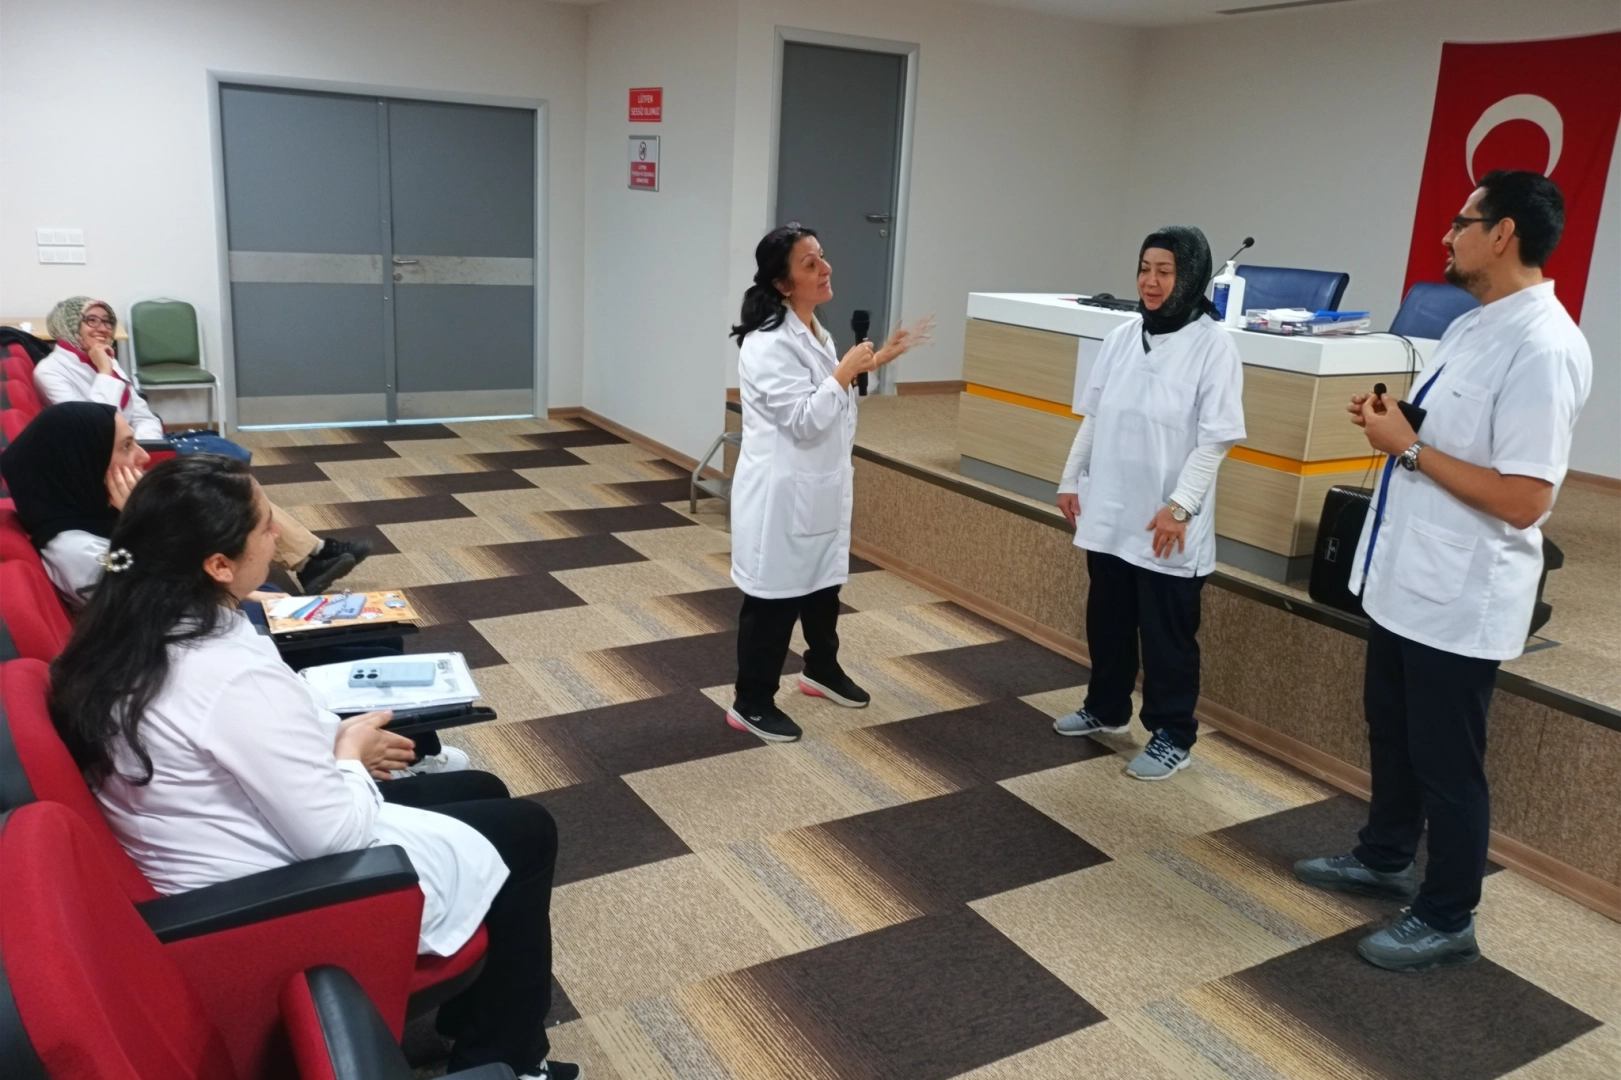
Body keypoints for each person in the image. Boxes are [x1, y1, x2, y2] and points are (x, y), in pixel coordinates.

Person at [46, 454, 577, 1079]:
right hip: (268, 898)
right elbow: (334, 836)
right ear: (217, 565)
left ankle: (479, 1020)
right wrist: (350, 754)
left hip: (225, 847)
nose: (279, 533)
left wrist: (341, 743)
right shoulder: (222, 675)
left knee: (483, 787)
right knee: (529, 831)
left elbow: (254, 734)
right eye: (265, 525)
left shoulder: (134, 622)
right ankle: (510, 1059)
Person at [1295, 170, 1591, 973]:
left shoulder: (1544, 347)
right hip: (1406, 578)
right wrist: (1393, 424)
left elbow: (1525, 498)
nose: (1446, 235)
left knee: (1447, 764)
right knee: (1391, 734)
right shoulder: (1470, 325)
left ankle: (1446, 915)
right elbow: (1444, 437)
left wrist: (1410, 448)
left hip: (1462, 597)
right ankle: (1383, 857)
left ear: (1502, 234)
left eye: (1461, 222)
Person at [0, 402, 464, 777]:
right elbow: (159, 591)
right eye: (125, 447)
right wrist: (136, 520)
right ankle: (412, 759)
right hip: (193, 643)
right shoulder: (76, 548)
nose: (141, 456)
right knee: (367, 646)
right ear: (81, 465)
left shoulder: (85, 519)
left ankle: (413, 750)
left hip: (206, 617)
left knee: (376, 636)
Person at [1051, 227, 1246, 780]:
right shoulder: (1121, 336)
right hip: (1111, 507)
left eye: (1165, 271)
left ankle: (1172, 734)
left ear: (1190, 276)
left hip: (1167, 518)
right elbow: (1094, 416)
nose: (1151, 282)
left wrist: (1180, 506)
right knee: (1108, 620)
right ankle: (1107, 707)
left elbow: (1216, 440)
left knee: (1167, 635)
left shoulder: (1213, 346)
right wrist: (1070, 479)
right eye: (1144, 268)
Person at [726, 223, 931, 742]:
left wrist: (873, 362)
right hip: (780, 496)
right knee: (773, 601)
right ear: (783, 283)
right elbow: (802, 419)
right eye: (810, 263)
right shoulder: (767, 344)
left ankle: (821, 668)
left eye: (822, 257)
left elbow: (836, 404)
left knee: (822, 588)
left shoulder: (815, 330)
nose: (825, 268)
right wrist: (843, 373)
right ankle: (750, 701)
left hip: (819, 485)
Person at [31, 296, 367, 593]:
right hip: (113, 468)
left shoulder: (103, 359)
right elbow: (96, 429)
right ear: (68, 325)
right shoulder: (52, 371)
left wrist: (148, 440)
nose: (102, 328)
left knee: (232, 480)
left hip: (141, 447)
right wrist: (105, 372)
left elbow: (142, 412)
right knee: (227, 486)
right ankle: (314, 555)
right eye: (91, 320)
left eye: (107, 321)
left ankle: (312, 556)